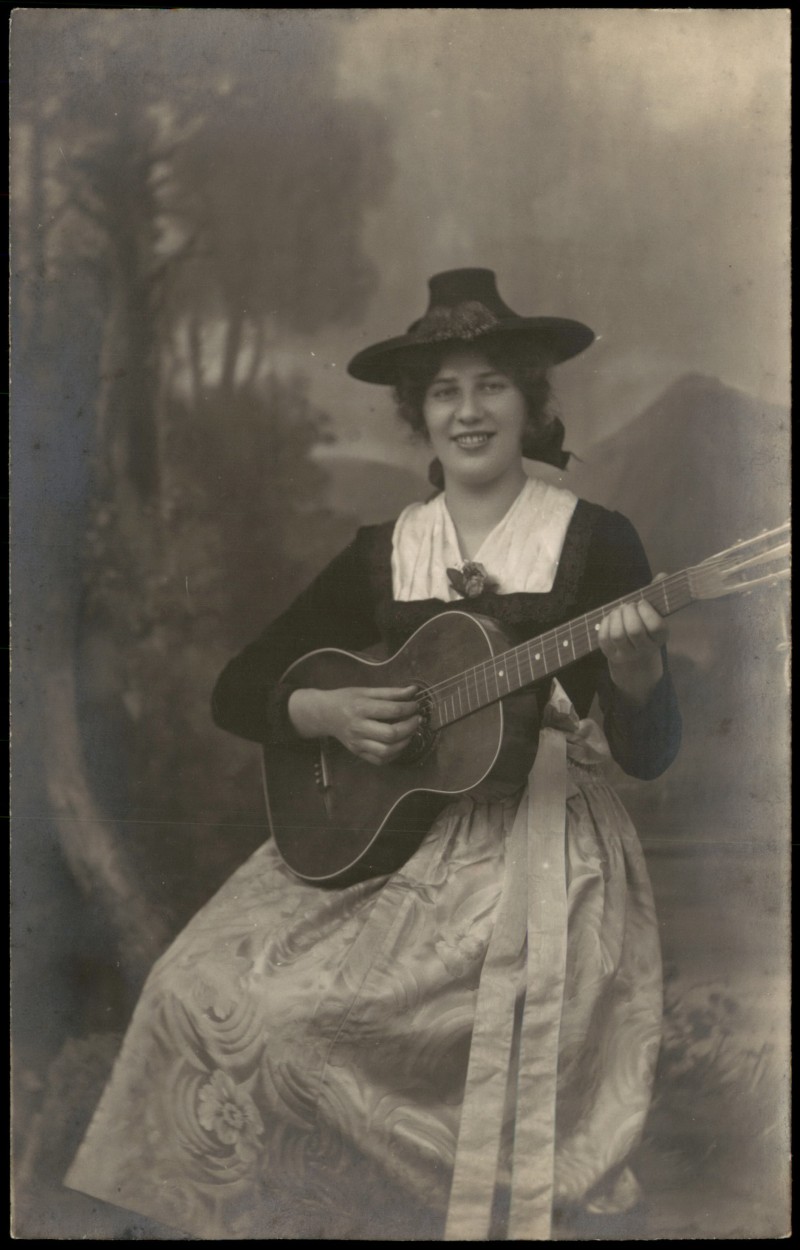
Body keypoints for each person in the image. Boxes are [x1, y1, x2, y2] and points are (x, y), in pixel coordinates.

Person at [65, 268, 681, 1240]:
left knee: (313, 1020)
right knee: (197, 986)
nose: (467, 410)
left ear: (529, 402)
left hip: (533, 850)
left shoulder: (597, 542)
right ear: (417, 414)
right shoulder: (380, 550)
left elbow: (649, 752)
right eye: (442, 390)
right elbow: (241, 685)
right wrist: (326, 712)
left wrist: (638, 674)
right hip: (381, 834)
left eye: (489, 384)